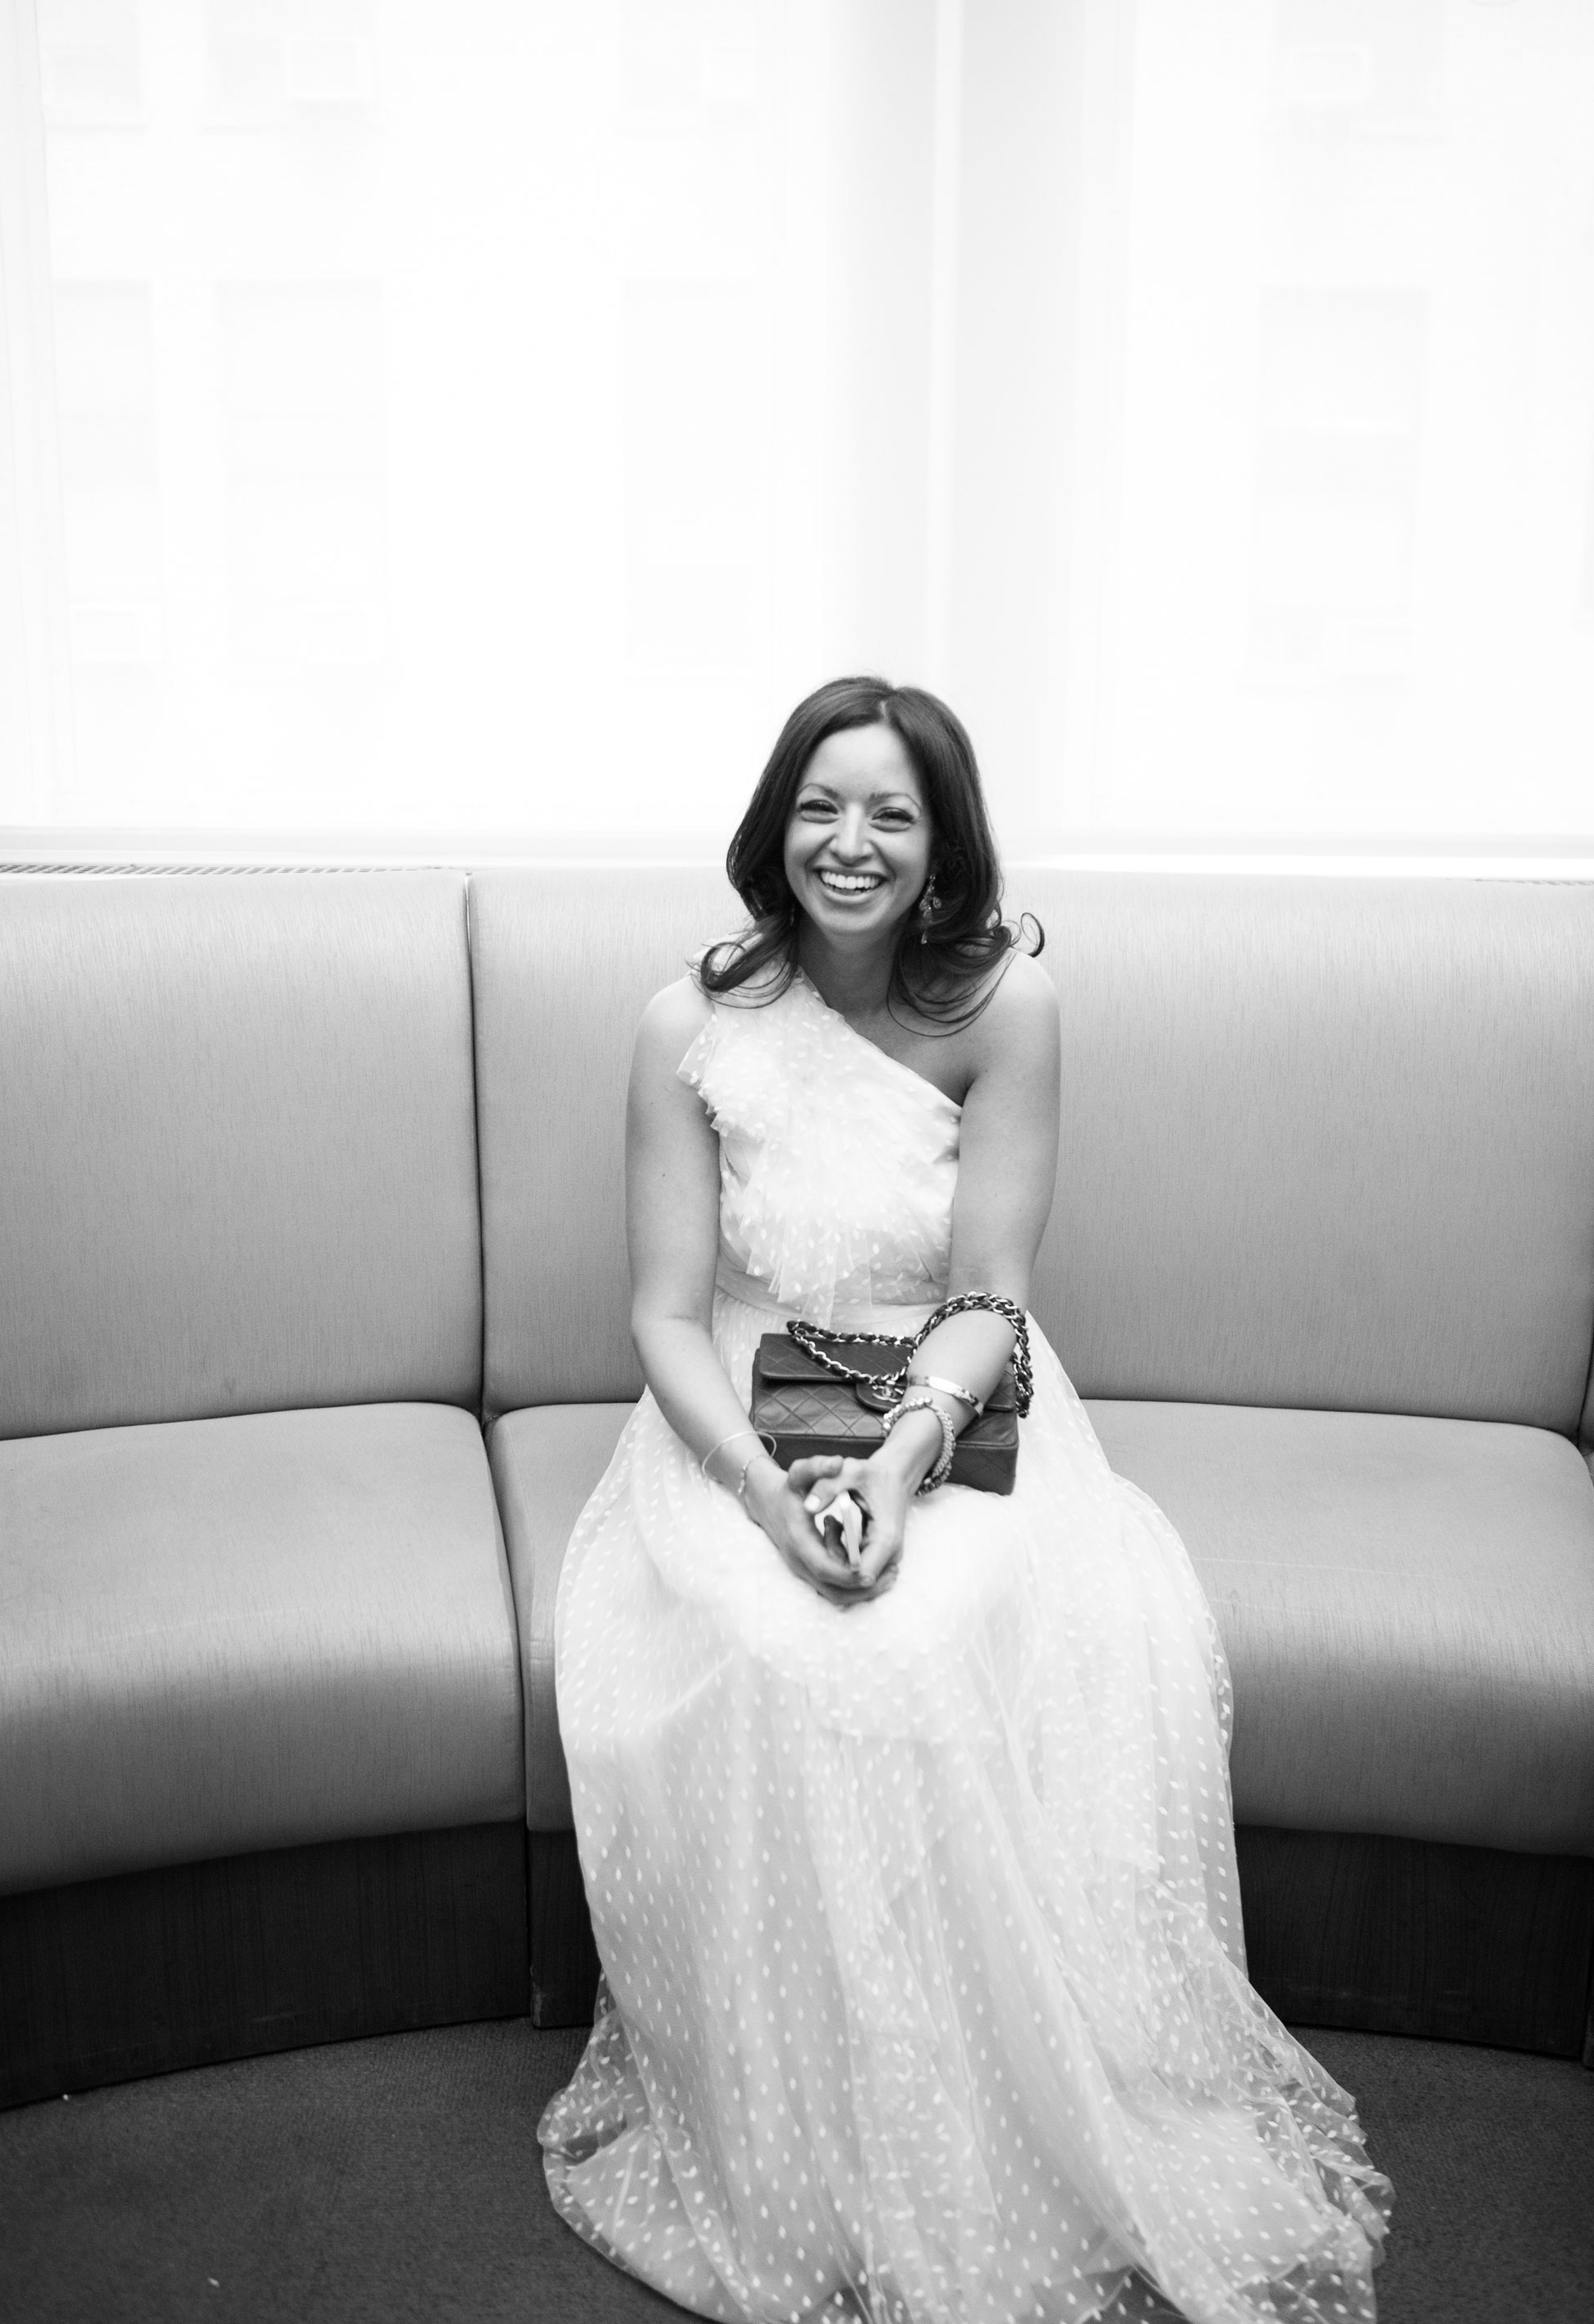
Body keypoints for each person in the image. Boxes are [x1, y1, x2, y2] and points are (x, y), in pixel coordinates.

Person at [538, 679, 1391, 2324]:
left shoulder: (1009, 1005)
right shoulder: (685, 1026)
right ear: (773, 825)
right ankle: (804, 2145)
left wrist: (902, 1459)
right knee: (784, 1642)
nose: (848, 843)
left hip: (947, 1389)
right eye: (819, 806)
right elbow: (658, 1314)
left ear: (940, 846)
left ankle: (975, 2119)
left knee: (915, 1643)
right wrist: (764, 1494)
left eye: (891, 814)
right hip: (735, 1399)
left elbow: (992, 1294)